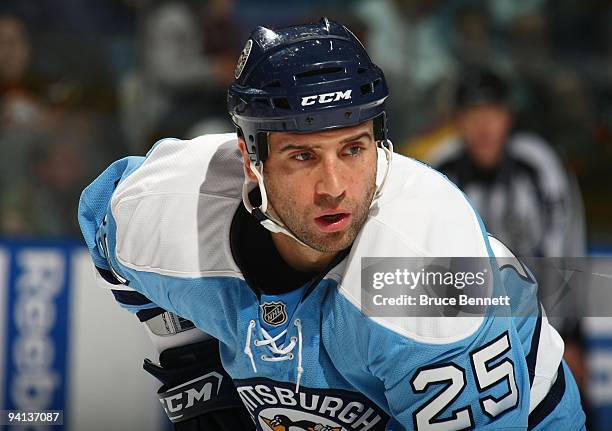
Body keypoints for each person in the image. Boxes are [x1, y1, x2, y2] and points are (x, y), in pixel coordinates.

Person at [78, 19, 586, 430]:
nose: (334, 186)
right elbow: (103, 222)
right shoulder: (167, 206)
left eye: (353, 149)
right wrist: (189, 358)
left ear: (380, 143)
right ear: (250, 158)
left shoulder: (428, 267)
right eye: (302, 156)